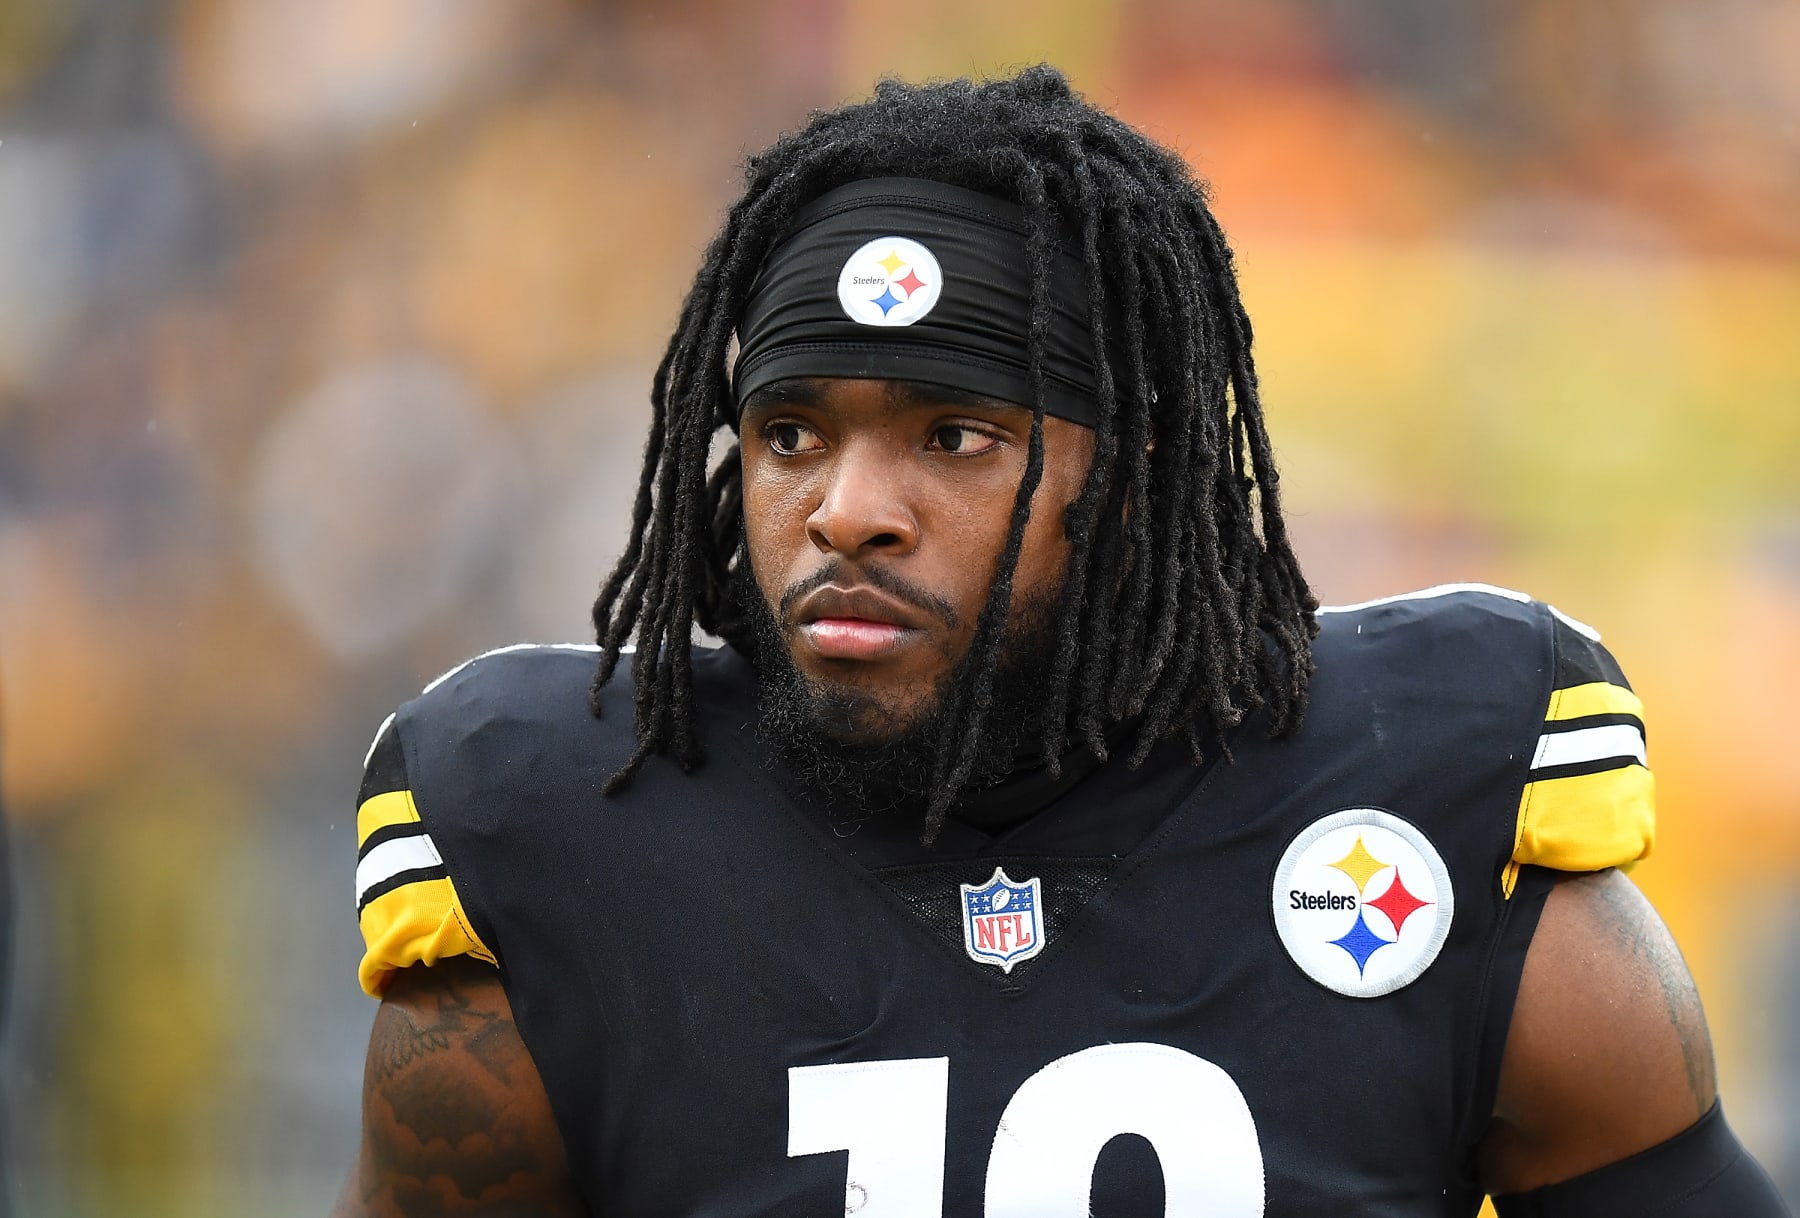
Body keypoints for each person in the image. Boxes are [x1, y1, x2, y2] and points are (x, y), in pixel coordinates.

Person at [333, 67, 1789, 1217]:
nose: (847, 511)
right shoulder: (565, 836)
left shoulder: (1419, 808)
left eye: (953, 437)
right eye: (791, 434)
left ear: (1135, 481)